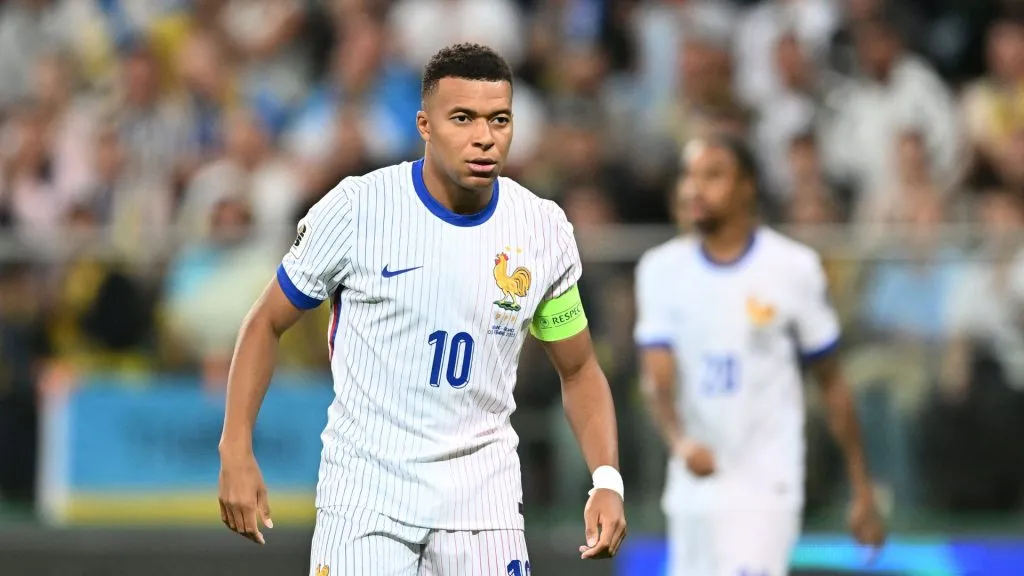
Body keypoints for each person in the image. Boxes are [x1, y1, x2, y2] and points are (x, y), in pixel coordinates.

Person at [216, 43, 627, 574]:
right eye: (463, 118)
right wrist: (235, 447)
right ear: (425, 125)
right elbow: (266, 322)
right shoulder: (358, 209)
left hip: (484, 504)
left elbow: (579, 368)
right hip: (367, 498)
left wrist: (607, 480)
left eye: (499, 120)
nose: (485, 137)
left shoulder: (542, 229)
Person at [634, 135, 885, 576]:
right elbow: (656, 380)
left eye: (713, 175)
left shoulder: (793, 268)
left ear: (747, 185)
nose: (695, 188)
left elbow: (832, 381)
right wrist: (680, 442)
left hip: (766, 481)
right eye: (689, 176)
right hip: (694, 483)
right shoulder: (660, 271)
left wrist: (862, 488)